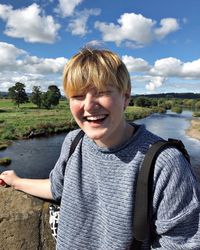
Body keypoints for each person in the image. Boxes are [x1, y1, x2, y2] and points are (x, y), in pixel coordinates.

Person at [0, 48, 200, 250]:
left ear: (126, 98)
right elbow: (58, 188)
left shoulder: (165, 163)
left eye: (102, 92)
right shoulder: (74, 141)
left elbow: (182, 244)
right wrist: (16, 181)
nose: (88, 106)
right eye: (78, 95)